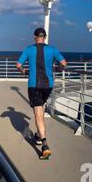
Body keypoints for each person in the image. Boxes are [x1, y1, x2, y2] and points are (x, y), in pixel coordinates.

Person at [16, 27, 67, 160]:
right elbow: (63, 63)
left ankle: (44, 145)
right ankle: (38, 136)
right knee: (41, 109)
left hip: (34, 85)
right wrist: (56, 68)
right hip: (48, 85)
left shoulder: (29, 49)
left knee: (38, 114)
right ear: (45, 37)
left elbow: (18, 65)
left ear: (34, 37)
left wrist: (24, 71)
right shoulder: (53, 49)